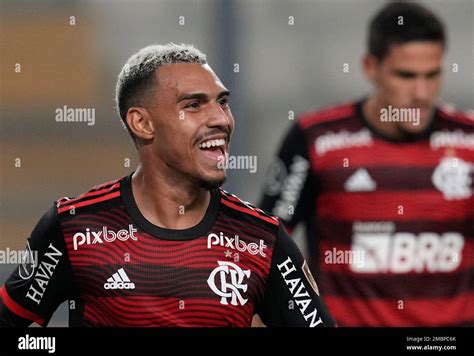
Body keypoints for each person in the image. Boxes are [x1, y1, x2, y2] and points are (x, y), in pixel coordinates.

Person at [0, 43, 335, 327]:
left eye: (222, 102)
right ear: (142, 123)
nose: (220, 118)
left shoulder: (261, 239)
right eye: (193, 105)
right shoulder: (74, 227)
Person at [259, 2, 473, 326]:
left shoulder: (468, 141)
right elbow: (262, 248)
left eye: (432, 75)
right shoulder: (316, 140)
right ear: (370, 67)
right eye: (406, 75)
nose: (421, 92)